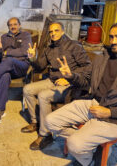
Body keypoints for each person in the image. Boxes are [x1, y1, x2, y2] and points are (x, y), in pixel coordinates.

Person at [45, 23, 117, 165]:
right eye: (111, 37)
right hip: (94, 104)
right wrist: (71, 76)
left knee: (75, 144)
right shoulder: (102, 59)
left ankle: (90, 161)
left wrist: (110, 112)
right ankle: (92, 149)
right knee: (50, 121)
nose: (113, 41)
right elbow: (86, 81)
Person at [22, 22, 92, 150]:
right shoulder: (49, 48)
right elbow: (40, 66)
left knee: (43, 96)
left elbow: (87, 67)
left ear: (63, 31)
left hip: (69, 84)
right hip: (52, 80)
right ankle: (35, 122)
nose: (53, 33)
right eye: (51, 31)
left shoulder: (74, 46)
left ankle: (45, 134)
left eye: (56, 30)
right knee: (28, 89)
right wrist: (33, 58)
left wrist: (70, 78)